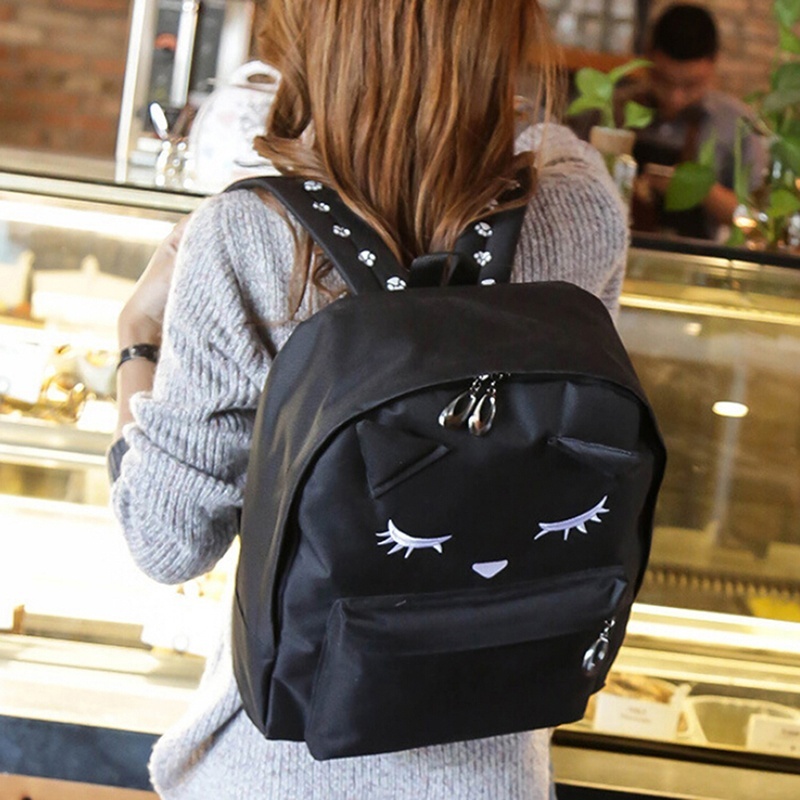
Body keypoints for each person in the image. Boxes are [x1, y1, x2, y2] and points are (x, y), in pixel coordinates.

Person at [108, 1, 629, 798]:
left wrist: (136, 340)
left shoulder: (248, 233)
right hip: (496, 773)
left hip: (280, 766)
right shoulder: (580, 208)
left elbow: (168, 541)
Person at [619, 3, 767, 239]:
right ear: (647, 55)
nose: (675, 97)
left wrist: (703, 191)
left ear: (714, 63)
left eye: (691, 85)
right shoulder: (615, 109)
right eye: (662, 80)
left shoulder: (737, 124)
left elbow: (759, 219)